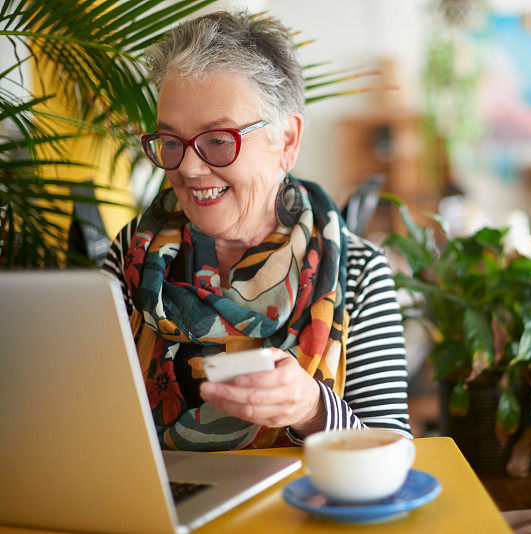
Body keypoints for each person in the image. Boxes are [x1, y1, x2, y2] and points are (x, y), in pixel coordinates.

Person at [102, 11, 411, 450]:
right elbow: (94, 417)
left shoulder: (359, 273)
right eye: (171, 141)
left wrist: (312, 410)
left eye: (218, 140)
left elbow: (392, 451)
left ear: (286, 141)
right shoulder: (133, 251)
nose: (188, 167)